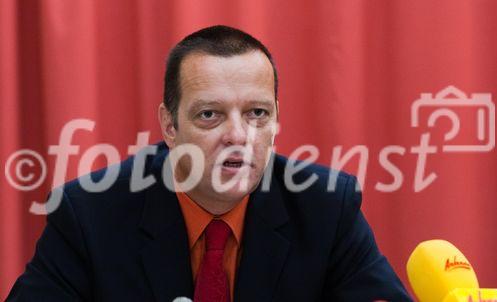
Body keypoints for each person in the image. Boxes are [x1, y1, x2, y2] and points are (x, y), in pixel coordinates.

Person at [7, 25, 411, 301]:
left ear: (276, 119)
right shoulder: (89, 214)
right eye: (209, 115)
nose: (238, 135)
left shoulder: (326, 207)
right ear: (169, 124)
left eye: (256, 113)